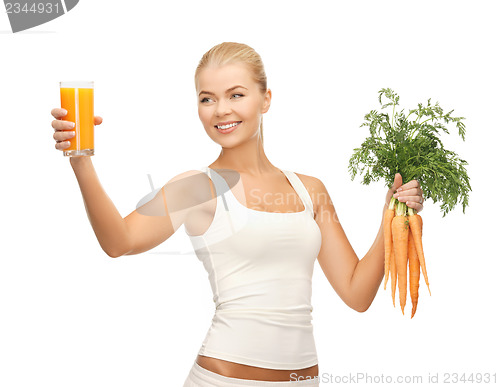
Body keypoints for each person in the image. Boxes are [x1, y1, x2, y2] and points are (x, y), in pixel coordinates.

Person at [51, 42, 424, 386]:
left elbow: (357, 293)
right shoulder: (197, 187)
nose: (221, 110)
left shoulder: (310, 190)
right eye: (207, 98)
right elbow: (119, 242)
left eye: (236, 95)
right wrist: (80, 161)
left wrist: (392, 216)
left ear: (266, 99)